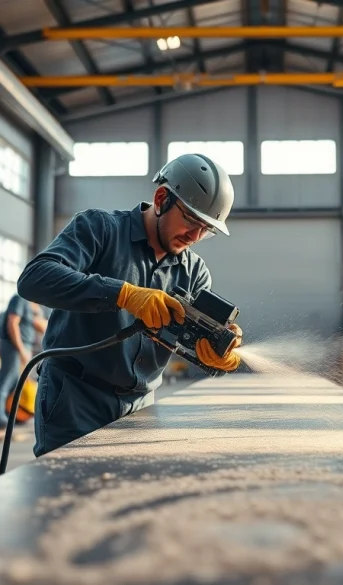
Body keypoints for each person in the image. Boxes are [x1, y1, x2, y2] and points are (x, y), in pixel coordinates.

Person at [16, 153, 244, 457]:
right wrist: (121, 294)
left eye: (207, 229)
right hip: (75, 398)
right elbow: (35, 278)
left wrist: (217, 351)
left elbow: (196, 335)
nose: (195, 236)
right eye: (191, 220)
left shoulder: (195, 272)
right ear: (162, 198)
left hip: (140, 406)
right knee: (69, 497)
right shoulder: (99, 229)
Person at [0, 293, 47, 429]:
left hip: (25, 345)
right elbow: (12, 323)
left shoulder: (32, 305)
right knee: (6, 381)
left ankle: (9, 414)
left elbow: (38, 324)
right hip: (13, 346)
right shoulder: (20, 299)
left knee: (16, 382)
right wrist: (21, 349)